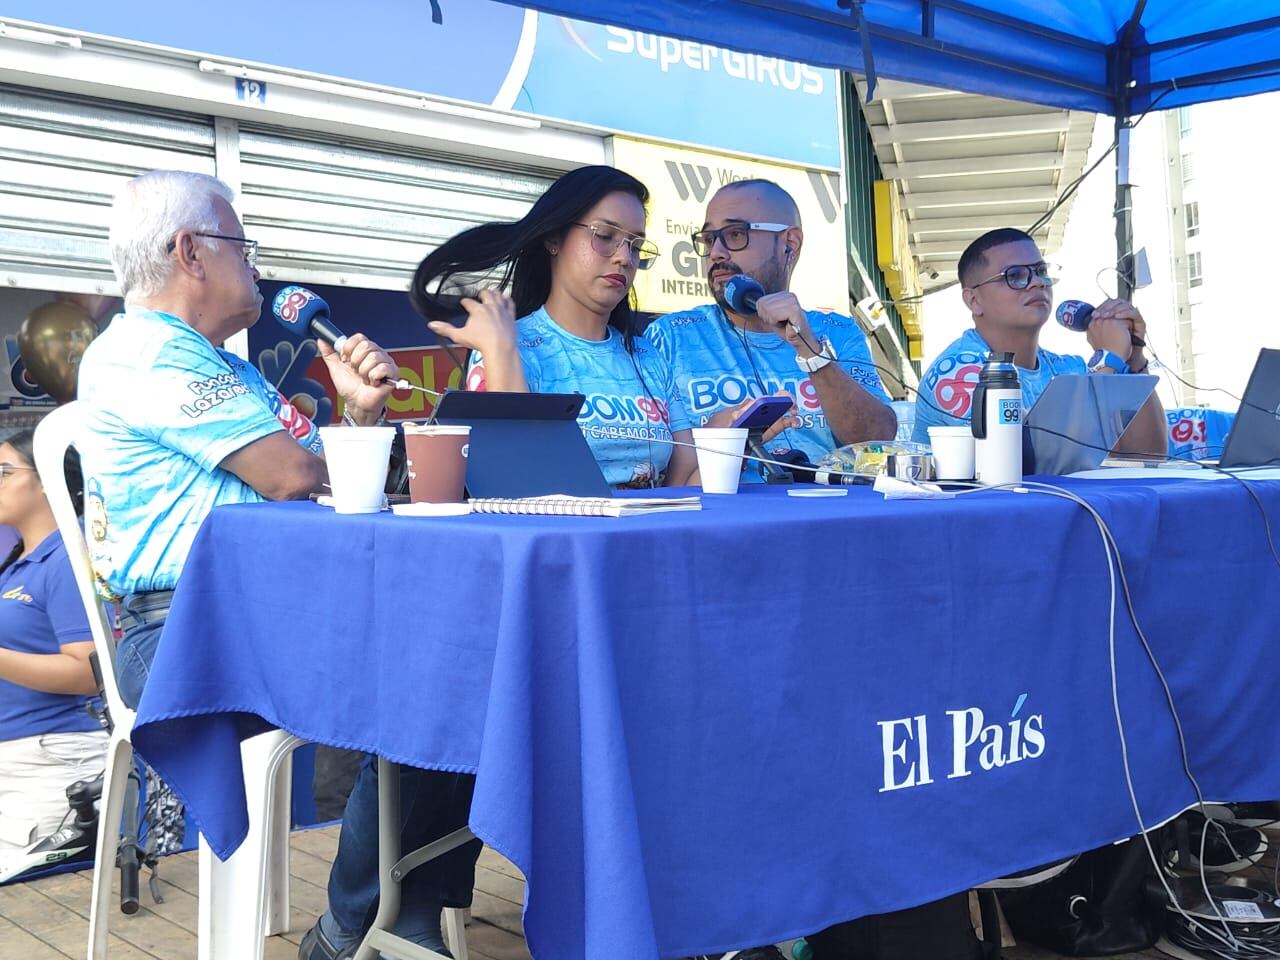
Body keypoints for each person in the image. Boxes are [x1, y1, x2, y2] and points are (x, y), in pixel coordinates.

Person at [75, 170, 477, 959]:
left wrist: (358, 415)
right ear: (189, 251)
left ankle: (396, 914)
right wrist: (339, 446)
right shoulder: (150, 352)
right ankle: (362, 926)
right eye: (241, 245)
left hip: (268, 608)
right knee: (449, 671)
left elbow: (308, 470)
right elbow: (293, 476)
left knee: (470, 657)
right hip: (183, 630)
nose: (254, 263)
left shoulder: (225, 363)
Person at [413, 164, 698, 488]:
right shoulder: (504, 344)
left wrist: (732, 432)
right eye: (605, 236)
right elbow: (515, 479)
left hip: (653, 535)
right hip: (563, 536)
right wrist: (501, 351)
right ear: (554, 239)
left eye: (635, 246)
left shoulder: (647, 355)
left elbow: (686, 473)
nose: (624, 258)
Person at [644, 179, 897, 481]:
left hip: (828, 514)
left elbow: (878, 441)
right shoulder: (671, 337)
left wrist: (811, 353)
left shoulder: (838, 332)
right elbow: (659, 471)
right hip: (724, 518)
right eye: (709, 239)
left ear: (790, 243)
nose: (716, 253)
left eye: (735, 234)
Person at [912, 227, 1167, 455]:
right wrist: (1107, 361)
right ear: (973, 300)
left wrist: (1133, 358)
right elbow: (1027, 462)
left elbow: (1147, 456)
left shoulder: (1069, 370)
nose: (1036, 283)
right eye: (1015, 275)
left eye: (1041, 271)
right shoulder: (955, 373)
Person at [0, 428, 106, 863]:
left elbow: (88, 673)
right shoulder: (22, 562)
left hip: (52, 762)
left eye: (4, 471)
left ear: (47, 480)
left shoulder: (67, 556)